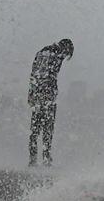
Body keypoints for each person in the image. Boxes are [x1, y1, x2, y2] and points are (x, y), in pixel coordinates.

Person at [28, 38, 74, 167]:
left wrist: (31, 94)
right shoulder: (57, 54)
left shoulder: (40, 53)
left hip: (36, 94)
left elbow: (33, 74)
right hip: (48, 94)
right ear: (65, 49)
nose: (65, 57)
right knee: (48, 127)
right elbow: (52, 75)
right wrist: (52, 93)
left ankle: (32, 159)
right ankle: (46, 158)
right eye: (67, 54)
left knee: (35, 128)